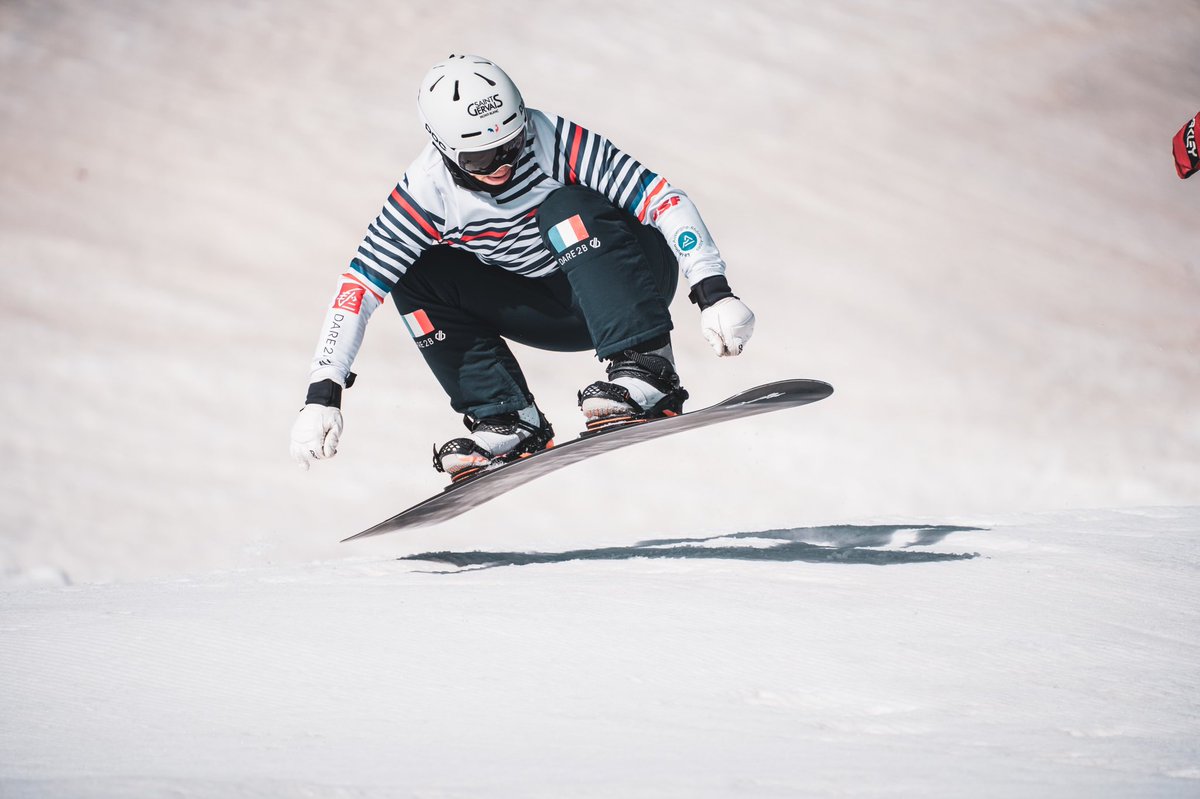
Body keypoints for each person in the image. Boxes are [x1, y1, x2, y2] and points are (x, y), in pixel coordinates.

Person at [290, 54, 756, 480]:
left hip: (633, 277)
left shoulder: (549, 137)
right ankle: (507, 417)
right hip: (555, 310)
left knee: (563, 205)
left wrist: (713, 288)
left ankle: (648, 366)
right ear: (443, 148)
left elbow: (661, 197)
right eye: (479, 158)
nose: (504, 165)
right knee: (414, 274)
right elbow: (358, 288)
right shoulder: (425, 194)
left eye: (512, 145)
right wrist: (323, 392)